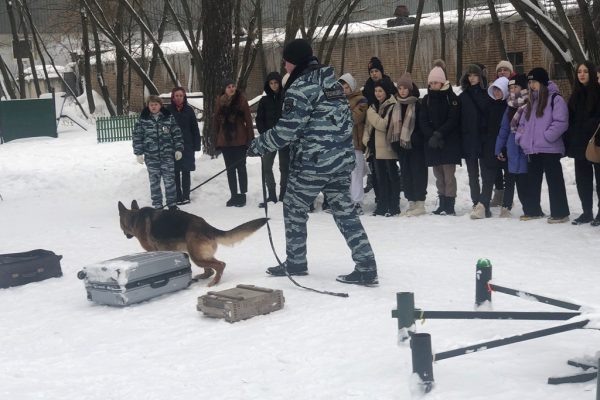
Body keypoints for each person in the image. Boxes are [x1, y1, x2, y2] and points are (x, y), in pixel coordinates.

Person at [247, 38, 378, 286]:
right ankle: (366, 265)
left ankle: (296, 261)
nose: (284, 67)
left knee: (294, 207)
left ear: (294, 61)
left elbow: (287, 131)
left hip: (313, 163)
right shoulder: (333, 85)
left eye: (286, 62)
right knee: (344, 212)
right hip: (340, 161)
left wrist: (257, 146)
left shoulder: (301, 88)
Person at [515, 68, 570, 223]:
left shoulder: (555, 99)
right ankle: (533, 211)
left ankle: (560, 213)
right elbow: (522, 123)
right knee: (532, 180)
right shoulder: (531, 101)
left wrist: (547, 137)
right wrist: (521, 137)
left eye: (535, 82)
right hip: (532, 149)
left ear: (543, 82)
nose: (532, 85)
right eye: (530, 82)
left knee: (554, 181)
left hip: (550, 148)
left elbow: (561, 122)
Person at [419, 66, 461, 215]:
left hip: (449, 142)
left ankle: (450, 204)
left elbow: (453, 119)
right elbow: (422, 120)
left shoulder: (452, 98)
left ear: (442, 83)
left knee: (449, 176)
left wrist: (439, 134)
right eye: (431, 83)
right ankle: (442, 202)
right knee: (438, 176)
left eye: (436, 82)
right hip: (433, 143)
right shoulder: (427, 99)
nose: (433, 85)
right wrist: (431, 136)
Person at [132, 95, 183, 210]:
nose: (153, 107)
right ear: (148, 106)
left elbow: (177, 134)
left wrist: (178, 149)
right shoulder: (143, 119)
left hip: (167, 156)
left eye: (156, 104)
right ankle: (157, 206)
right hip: (151, 157)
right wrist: (138, 153)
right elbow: (137, 136)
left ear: (160, 105)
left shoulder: (168, 117)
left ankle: (172, 205)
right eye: (151, 105)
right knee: (154, 183)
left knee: (170, 182)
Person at [565, 61, 600, 225]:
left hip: (596, 143)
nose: (582, 74)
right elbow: (570, 119)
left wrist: (586, 127)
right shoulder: (575, 95)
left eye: (585, 71)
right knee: (582, 180)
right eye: (579, 71)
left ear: (591, 74)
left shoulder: (598, 92)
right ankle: (587, 212)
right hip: (579, 144)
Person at [471, 76, 509, 219]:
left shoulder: (509, 106)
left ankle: (507, 205)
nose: (497, 93)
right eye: (495, 90)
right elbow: (483, 126)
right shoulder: (488, 105)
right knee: (488, 177)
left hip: (505, 146)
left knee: (509, 178)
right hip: (489, 146)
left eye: (500, 90)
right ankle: (483, 206)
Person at [495, 73, 532, 218]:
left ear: (523, 88)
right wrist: (498, 148)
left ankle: (530, 208)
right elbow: (504, 129)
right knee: (510, 179)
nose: (513, 90)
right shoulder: (509, 106)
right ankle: (506, 206)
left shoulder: (530, 104)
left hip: (525, 149)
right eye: (510, 88)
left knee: (524, 181)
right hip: (511, 149)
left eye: (516, 87)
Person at [213, 78, 254, 207]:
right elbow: (216, 122)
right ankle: (233, 195)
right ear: (224, 89)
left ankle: (242, 195)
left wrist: (250, 139)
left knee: (241, 168)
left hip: (240, 139)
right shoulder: (220, 101)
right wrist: (217, 139)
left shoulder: (241, 100)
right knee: (230, 169)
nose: (231, 88)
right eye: (228, 87)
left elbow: (248, 119)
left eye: (233, 86)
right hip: (226, 141)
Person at [362, 81, 399, 216]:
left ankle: (394, 205)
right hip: (374, 148)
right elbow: (367, 127)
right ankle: (382, 205)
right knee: (380, 178)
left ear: (386, 92)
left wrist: (371, 113)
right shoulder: (373, 106)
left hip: (387, 148)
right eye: (376, 91)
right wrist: (366, 141)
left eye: (380, 91)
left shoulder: (392, 105)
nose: (377, 94)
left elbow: (383, 125)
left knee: (392, 176)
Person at [255, 71, 289, 207]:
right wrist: (265, 134)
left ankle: (283, 195)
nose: (274, 85)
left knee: (284, 168)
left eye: (276, 83)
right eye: (271, 83)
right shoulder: (264, 100)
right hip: (269, 139)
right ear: (268, 85)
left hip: (284, 139)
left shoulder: (286, 98)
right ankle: (272, 195)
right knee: (266, 166)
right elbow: (259, 119)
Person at [459, 64, 489, 210]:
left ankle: (484, 201)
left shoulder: (487, 94)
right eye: (469, 75)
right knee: (472, 175)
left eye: (475, 75)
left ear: (480, 77)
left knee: (485, 173)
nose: (472, 78)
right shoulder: (462, 97)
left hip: (483, 139)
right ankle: (475, 201)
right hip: (469, 140)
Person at [339, 72, 368, 215]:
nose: (344, 90)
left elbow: (355, 117)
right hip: (341, 144)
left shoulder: (361, 100)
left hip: (355, 143)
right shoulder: (338, 101)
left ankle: (357, 202)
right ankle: (348, 201)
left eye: (346, 87)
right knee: (346, 174)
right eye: (342, 87)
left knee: (356, 174)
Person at [168, 87, 201, 205]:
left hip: (187, 145)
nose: (178, 98)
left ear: (184, 97)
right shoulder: (168, 110)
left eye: (181, 95)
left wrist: (197, 145)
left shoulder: (189, 110)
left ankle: (186, 195)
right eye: (176, 96)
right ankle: (178, 195)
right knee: (175, 172)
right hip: (173, 146)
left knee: (186, 171)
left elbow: (194, 128)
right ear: (173, 97)